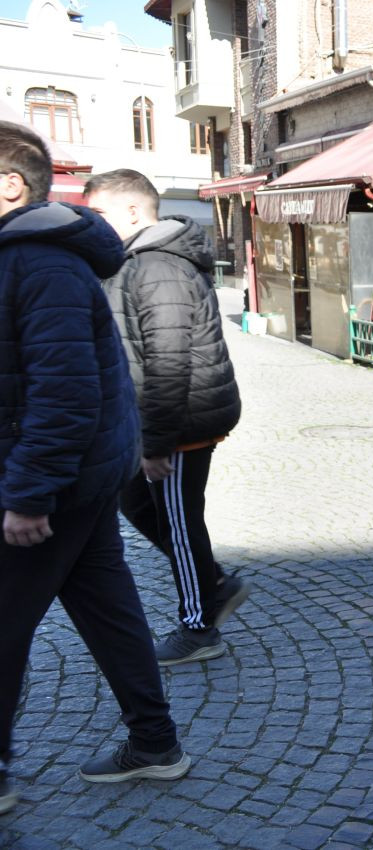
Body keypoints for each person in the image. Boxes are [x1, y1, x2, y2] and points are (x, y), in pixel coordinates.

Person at [0, 122, 191, 808]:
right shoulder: (31, 256)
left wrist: (28, 495)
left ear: (11, 185)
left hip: (57, 484)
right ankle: (155, 741)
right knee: (109, 610)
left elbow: (64, 391)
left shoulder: (37, 261)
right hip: (81, 478)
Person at [83, 169, 249, 667]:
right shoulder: (134, 261)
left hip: (180, 426)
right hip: (153, 424)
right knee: (135, 503)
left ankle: (200, 627)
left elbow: (169, 359)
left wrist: (156, 444)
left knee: (179, 522)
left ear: (133, 212)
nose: (94, 226)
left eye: (100, 215)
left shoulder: (156, 265)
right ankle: (212, 581)